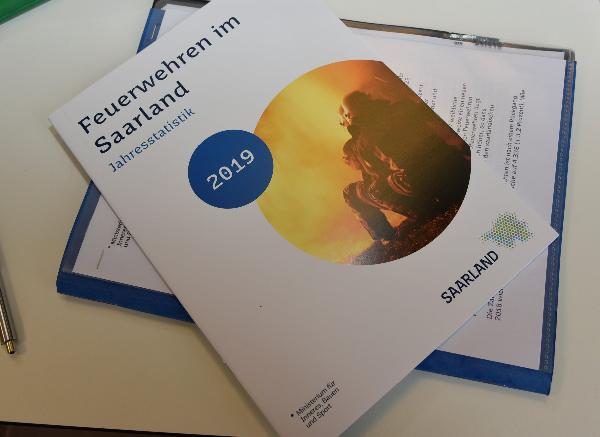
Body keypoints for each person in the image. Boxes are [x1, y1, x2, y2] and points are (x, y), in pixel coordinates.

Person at [340, 91, 470, 242]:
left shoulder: (362, 142)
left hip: (428, 185)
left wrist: (356, 160)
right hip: (456, 168)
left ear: (349, 116)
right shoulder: (404, 107)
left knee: (374, 189)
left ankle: (426, 212)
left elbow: (377, 175)